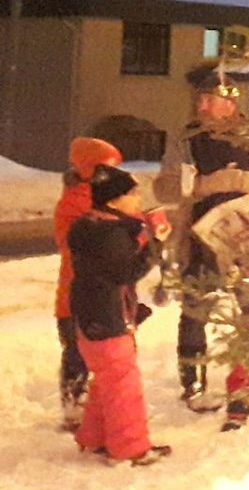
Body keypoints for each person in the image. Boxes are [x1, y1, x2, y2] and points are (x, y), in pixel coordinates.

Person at [67, 165, 171, 465]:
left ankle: (94, 438)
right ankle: (130, 448)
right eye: (131, 194)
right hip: (106, 316)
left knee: (106, 380)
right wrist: (157, 243)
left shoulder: (92, 226)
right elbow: (126, 271)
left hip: (91, 315)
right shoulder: (109, 235)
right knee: (123, 383)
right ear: (113, 202)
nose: (138, 199)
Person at [177, 98, 249, 411]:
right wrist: (201, 184)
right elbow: (167, 187)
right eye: (202, 98)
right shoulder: (187, 141)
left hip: (248, 236)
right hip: (201, 236)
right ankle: (193, 383)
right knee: (195, 308)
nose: (206, 105)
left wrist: (240, 181)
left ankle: (248, 381)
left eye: (216, 98)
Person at [54, 137, 123, 428]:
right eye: (108, 167)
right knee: (76, 350)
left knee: (94, 350)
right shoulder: (76, 203)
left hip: (98, 292)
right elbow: (77, 246)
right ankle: (74, 402)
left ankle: (92, 405)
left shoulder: (99, 197)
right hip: (76, 294)